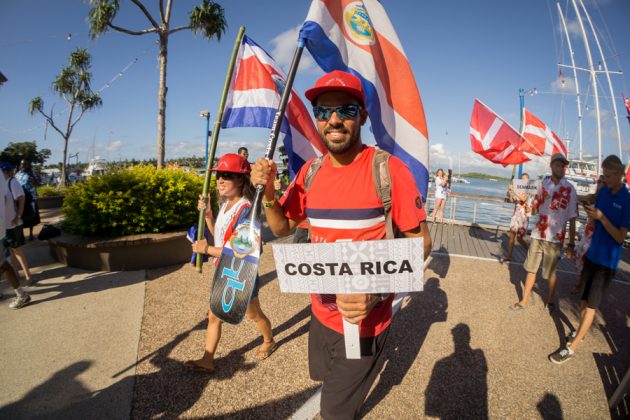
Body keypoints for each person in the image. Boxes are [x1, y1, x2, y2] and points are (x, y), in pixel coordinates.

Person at [250, 70, 432, 419]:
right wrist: (270, 194)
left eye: (346, 110)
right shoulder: (310, 173)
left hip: (364, 322)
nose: (333, 120)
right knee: (321, 380)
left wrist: (374, 292)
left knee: (334, 413)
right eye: (323, 111)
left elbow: (420, 245)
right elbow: (283, 227)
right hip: (320, 313)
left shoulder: (390, 171)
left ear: (362, 116)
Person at [184, 153, 276, 373]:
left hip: (241, 272)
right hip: (224, 269)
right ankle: (208, 359)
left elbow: (240, 251)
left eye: (227, 175)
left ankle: (269, 340)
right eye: (218, 175)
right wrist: (208, 216)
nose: (220, 180)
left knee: (253, 313)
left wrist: (206, 249)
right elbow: (221, 237)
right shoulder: (226, 205)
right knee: (214, 314)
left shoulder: (247, 210)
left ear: (241, 180)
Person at [549, 155, 630, 364]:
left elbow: (621, 237)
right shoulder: (603, 192)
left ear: (620, 175)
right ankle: (580, 332)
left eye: (609, 176)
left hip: (607, 262)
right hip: (592, 255)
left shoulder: (627, 200)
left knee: (592, 306)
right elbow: (595, 216)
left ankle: (572, 348)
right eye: (604, 175)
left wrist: (602, 217)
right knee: (584, 300)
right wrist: (592, 214)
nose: (605, 179)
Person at [509, 153, 577, 313]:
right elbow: (535, 209)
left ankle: (550, 301)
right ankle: (524, 300)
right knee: (531, 269)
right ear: (552, 166)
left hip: (554, 238)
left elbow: (573, 217)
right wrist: (529, 209)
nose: (562, 168)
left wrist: (571, 244)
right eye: (559, 165)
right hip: (537, 234)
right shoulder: (542, 184)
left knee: (550, 274)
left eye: (564, 166)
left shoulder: (570, 188)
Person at [0, 163, 30, 309]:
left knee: (15, 252)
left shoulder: (12, 181)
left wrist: (18, 216)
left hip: (12, 224)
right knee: (8, 257)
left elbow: (21, 198)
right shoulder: (3, 181)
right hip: (4, 225)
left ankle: (26, 280)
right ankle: (19, 285)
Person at [570, 175, 605, 294]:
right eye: (599, 181)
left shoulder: (607, 201)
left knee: (587, 258)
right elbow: (579, 197)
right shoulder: (593, 197)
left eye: (602, 182)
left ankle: (582, 284)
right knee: (579, 256)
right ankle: (581, 282)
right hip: (588, 231)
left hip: (598, 234)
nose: (600, 184)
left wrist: (593, 216)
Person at [501, 173, 532, 263]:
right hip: (516, 215)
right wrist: (510, 193)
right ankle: (509, 256)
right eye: (522, 179)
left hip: (524, 217)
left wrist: (514, 190)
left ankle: (530, 252)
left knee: (519, 238)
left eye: (525, 179)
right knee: (511, 236)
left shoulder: (529, 191)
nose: (523, 181)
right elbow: (512, 200)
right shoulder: (518, 190)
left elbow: (523, 199)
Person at [15, 160, 40, 241]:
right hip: (20, 198)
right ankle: (22, 235)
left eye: (24, 164)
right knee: (20, 216)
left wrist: (32, 175)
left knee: (31, 216)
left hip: (30, 198)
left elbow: (37, 183)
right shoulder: (17, 174)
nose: (23, 166)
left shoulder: (32, 174)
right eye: (21, 164)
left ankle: (31, 234)